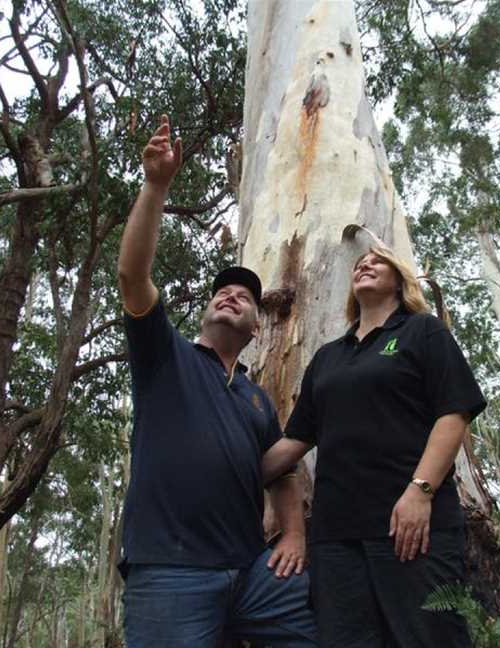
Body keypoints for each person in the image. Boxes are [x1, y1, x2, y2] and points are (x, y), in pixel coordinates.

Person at [117, 114, 317, 647]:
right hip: (170, 574)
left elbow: (282, 474)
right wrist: (156, 185)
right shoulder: (166, 356)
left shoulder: (256, 399)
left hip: (254, 574)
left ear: (257, 327)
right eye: (222, 293)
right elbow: (132, 277)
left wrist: (294, 533)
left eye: (246, 298)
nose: (232, 296)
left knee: (334, 615)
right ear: (206, 311)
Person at [262, 246, 487, 647]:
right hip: (336, 538)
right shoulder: (329, 357)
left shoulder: (423, 331)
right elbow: (295, 440)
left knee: (428, 637)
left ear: (400, 279)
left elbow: (454, 413)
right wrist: (230, 472)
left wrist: (421, 491)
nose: (365, 264)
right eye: (359, 262)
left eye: (377, 260)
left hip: (410, 528)